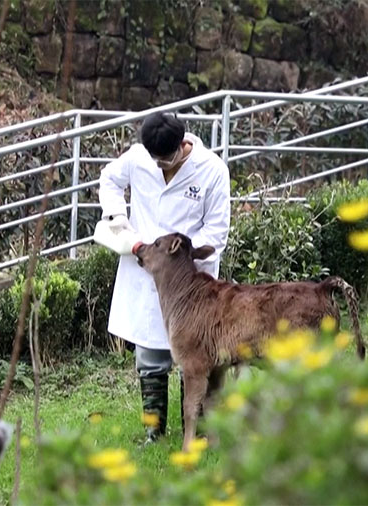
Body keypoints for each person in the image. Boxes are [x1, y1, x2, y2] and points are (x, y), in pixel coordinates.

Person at [94, 111, 231, 444]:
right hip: (146, 272)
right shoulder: (140, 158)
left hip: (191, 284)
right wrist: (118, 219)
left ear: (183, 145)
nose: (160, 168)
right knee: (149, 358)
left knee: (196, 358)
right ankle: (153, 430)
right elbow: (110, 180)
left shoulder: (212, 171)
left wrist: (178, 256)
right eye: (155, 162)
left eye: (166, 162)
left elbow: (216, 232)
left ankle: (198, 432)